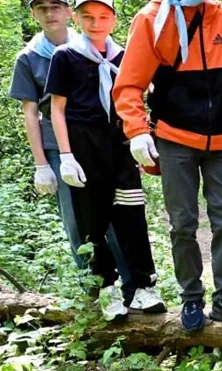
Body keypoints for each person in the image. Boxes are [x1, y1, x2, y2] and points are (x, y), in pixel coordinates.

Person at [114, 0, 222, 331]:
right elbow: (128, 84)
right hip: (175, 137)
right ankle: (191, 297)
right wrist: (138, 131)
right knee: (183, 223)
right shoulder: (151, 19)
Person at [46, 0, 165, 319]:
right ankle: (106, 289)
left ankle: (143, 287)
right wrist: (66, 156)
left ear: (113, 19)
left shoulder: (125, 55)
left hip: (121, 143)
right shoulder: (65, 56)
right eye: (87, 17)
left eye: (102, 16)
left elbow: (139, 97)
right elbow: (57, 109)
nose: (95, 23)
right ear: (75, 17)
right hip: (84, 144)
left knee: (131, 215)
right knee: (92, 221)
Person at [9, 0, 134, 297]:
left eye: (56, 6)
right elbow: (31, 113)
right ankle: (93, 289)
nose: (50, 14)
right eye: (41, 8)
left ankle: (132, 287)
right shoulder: (29, 58)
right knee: (79, 222)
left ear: (69, 13)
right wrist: (42, 164)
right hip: (59, 149)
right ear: (33, 14)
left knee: (117, 216)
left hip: (102, 145)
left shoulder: (95, 46)